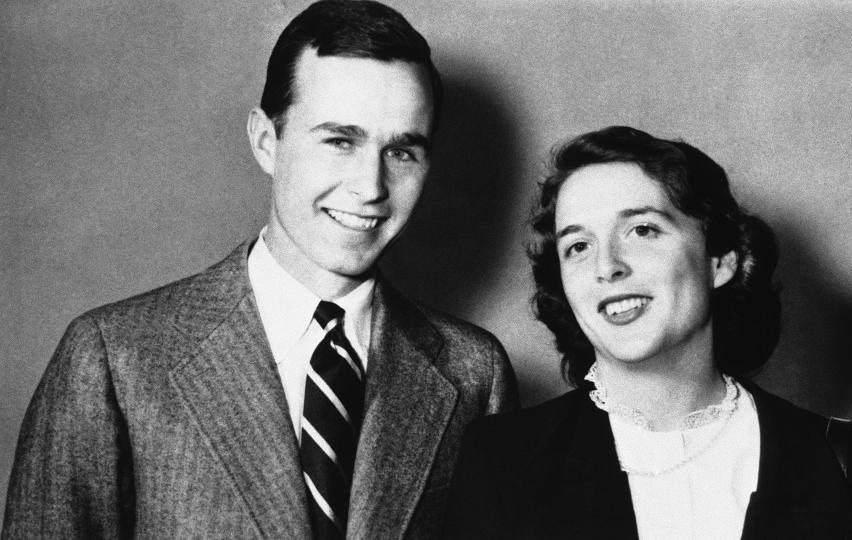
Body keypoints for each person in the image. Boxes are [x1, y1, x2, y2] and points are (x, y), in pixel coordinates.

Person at [2, 1, 517, 538]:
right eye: (340, 141)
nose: (371, 187)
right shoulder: (114, 358)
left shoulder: (474, 374)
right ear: (266, 142)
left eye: (403, 152)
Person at [442, 126, 852, 539]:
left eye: (642, 231)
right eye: (577, 246)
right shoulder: (499, 465)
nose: (607, 266)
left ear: (722, 261)